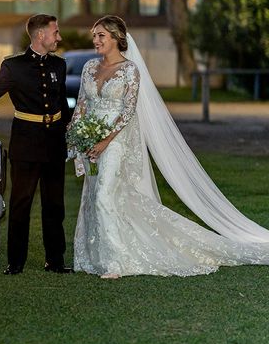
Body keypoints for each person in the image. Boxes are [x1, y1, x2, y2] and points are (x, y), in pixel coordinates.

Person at [71, 15, 269, 278]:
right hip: (89, 140)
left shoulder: (130, 70)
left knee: (105, 195)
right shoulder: (88, 68)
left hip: (115, 141)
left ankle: (116, 262)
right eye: (94, 35)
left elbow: (129, 111)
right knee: (95, 196)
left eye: (101, 36)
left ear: (117, 38)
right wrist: (77, 136)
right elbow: (82, 105)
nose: (95, 40)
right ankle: (96, 254)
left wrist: (105, 140)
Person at [0, 13, 72, 275]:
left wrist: (72, 131)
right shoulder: (14, 66)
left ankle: (56, 261)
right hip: (26, 144)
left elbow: (61, 104)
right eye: (55, 32)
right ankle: (15, 262)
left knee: (54, 205)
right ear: (40, 35)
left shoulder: (59, 65)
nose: (58, 37)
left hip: (54, 144)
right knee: (20, 204)